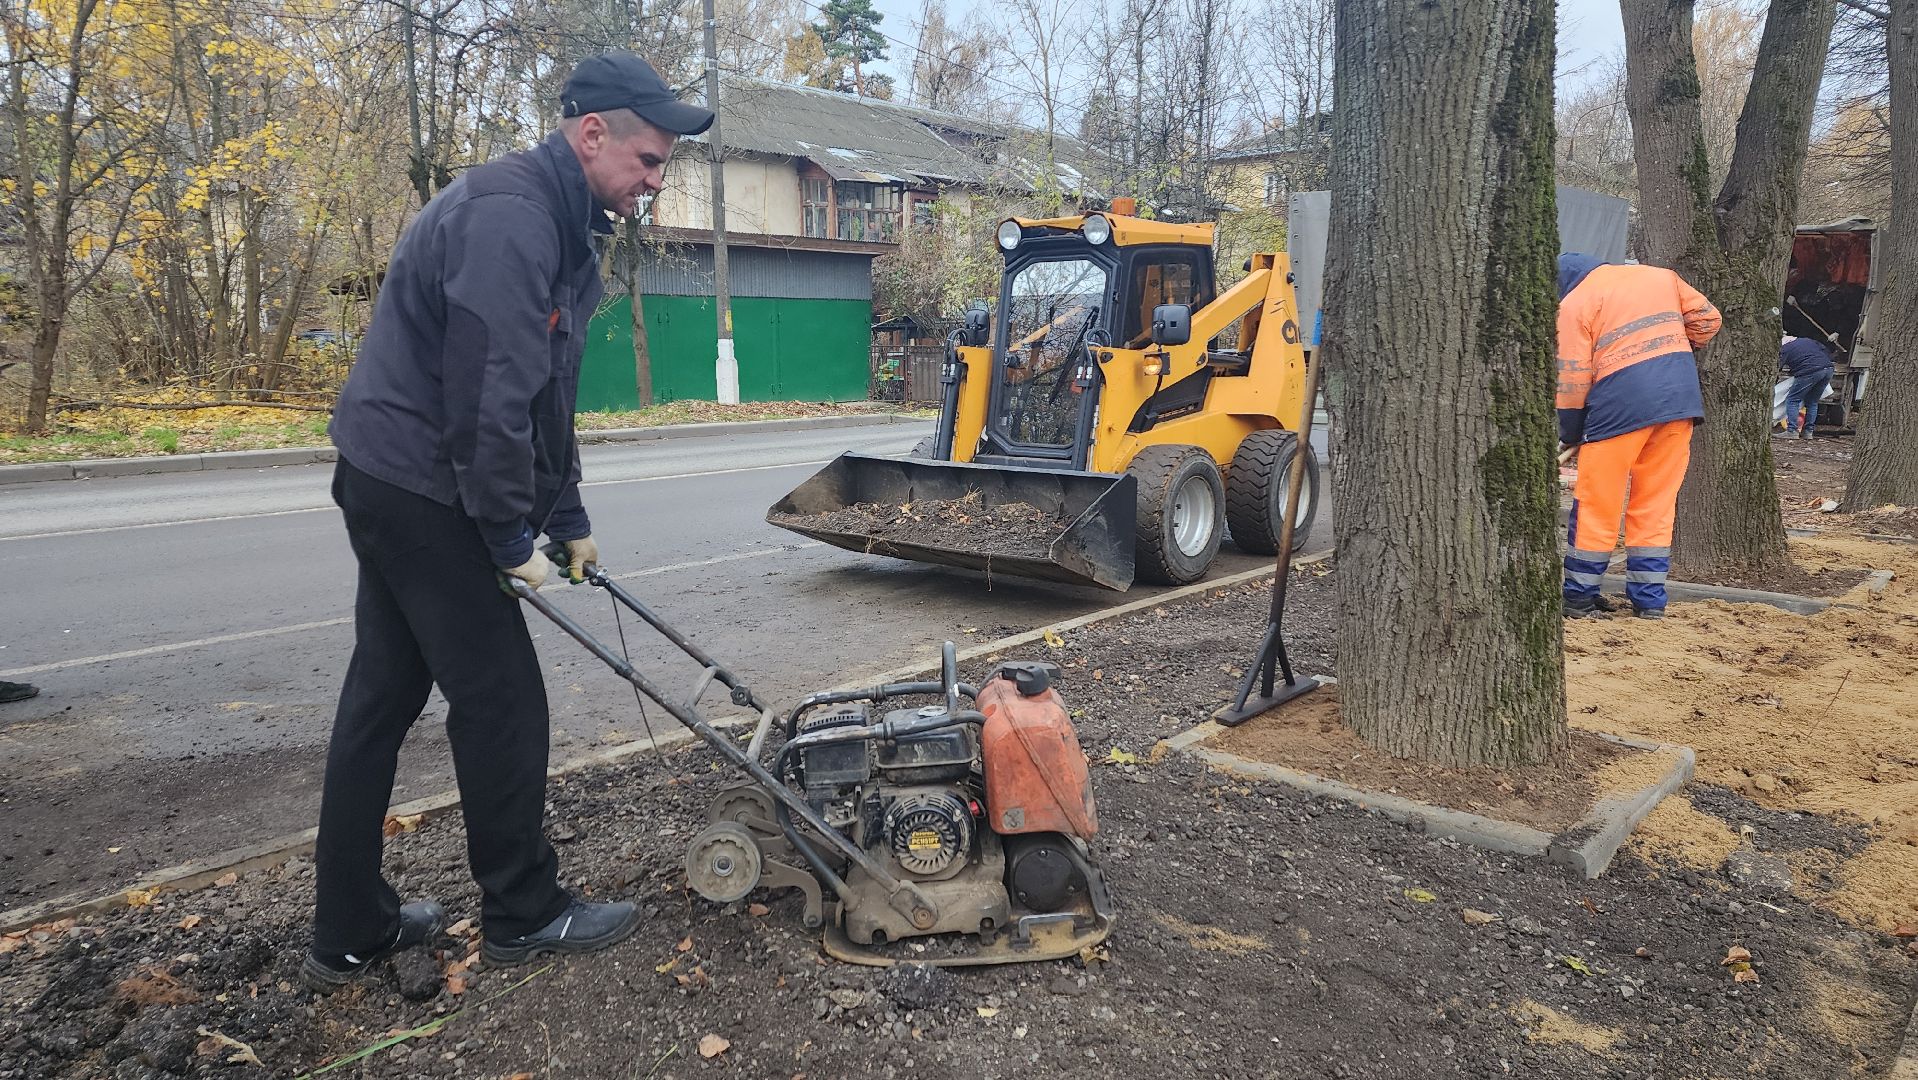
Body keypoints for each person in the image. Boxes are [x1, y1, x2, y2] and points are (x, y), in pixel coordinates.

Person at [302, 51, 714, 992]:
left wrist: (563, 510)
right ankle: (524, 914)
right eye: (649, 160)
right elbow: (488, 401)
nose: (656, 182)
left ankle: (349, 926)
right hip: (422, 486)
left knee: (380, 702)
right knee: (502, 702)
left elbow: (544, 393)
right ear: (593, 132)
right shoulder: (511, 219)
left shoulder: (565, 223)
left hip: (397, 476)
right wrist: (505, 539)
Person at [1556, 253, 1721, 621]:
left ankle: (1578, 599)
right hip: (1679, 404)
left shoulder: (1572, 304)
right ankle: (1649, 603)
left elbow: (1571, 380)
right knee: (1655, 507)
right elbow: (1708, 320)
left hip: (1617, 409)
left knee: (1598, 507)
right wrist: (1675, 352)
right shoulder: (1660, 277)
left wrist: (1569, 431)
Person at [1777, 334, 1835, 440]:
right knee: (1812, 402)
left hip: (1810, 371)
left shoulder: (1785, 348)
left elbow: (1778, 366)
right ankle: (1808, 432)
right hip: (1828, 368)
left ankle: (1792, 431)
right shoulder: (1808, 340)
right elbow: (1826, 350)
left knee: (1793, 399)